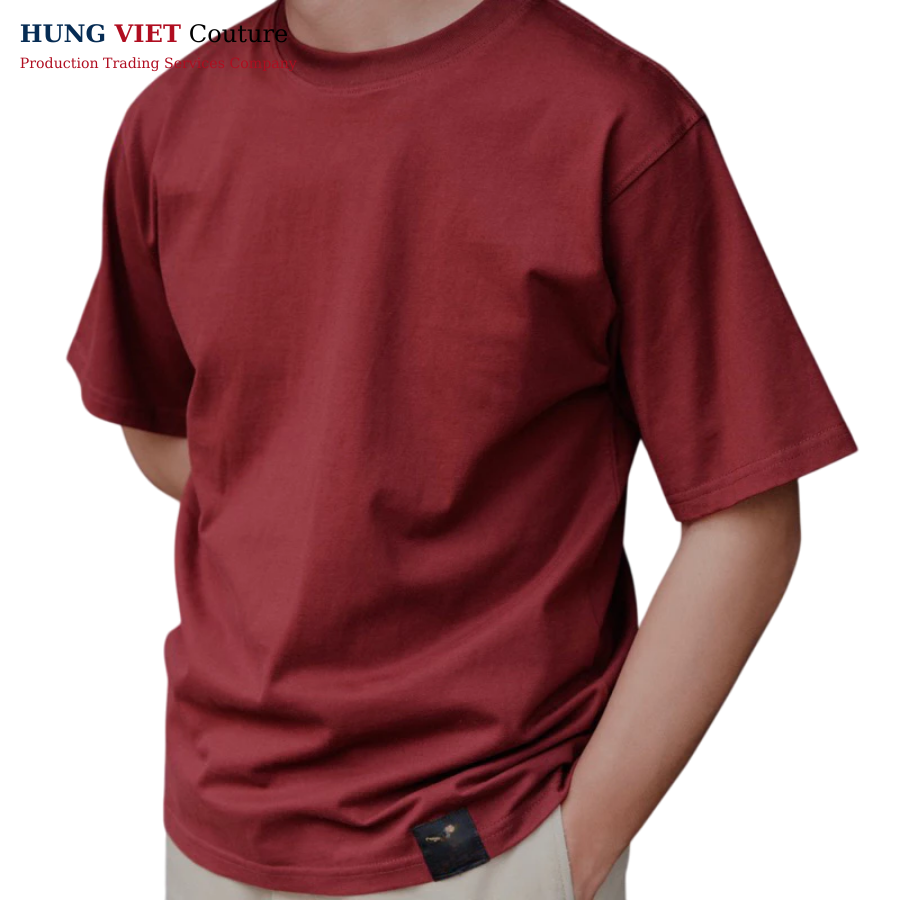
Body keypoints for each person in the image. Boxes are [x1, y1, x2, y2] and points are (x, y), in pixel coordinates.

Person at [65, 0, 858, 897]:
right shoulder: (169, 122)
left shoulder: (614, 119)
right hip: (218, 826)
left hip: (491, 834)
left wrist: (572, 851)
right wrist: (322, 494)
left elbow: (746, 517)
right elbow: (164, 427)